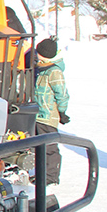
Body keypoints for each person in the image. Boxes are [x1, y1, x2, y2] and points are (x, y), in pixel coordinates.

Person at [34, 37, 70, 185]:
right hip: (39, 114)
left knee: (49, 147)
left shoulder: (54, 72)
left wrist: (62, 112)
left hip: (48, 115)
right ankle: (42, 174)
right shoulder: (41, 69)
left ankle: (51, 177)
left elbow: (62, 94)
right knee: (39, 146)